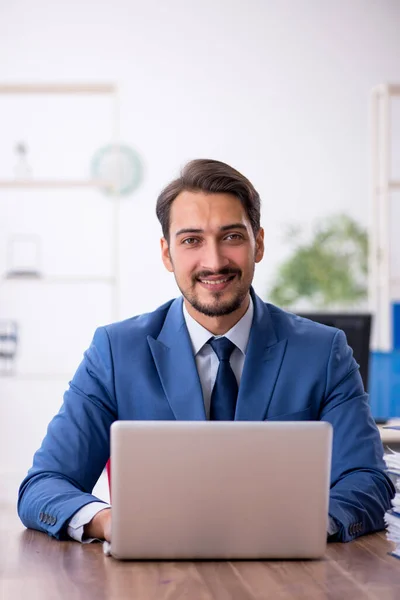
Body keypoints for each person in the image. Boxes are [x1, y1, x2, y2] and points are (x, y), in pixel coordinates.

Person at [18, 159, 394, 544]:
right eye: (191, 240)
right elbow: (44, 486)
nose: (214, 262)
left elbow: (367, 480)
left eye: (231, 237)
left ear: (258, 243)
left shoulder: (322, 352)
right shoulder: (115, 353)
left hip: (286, 571)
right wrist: (112, 522)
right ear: (167, 253)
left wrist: (309, 523)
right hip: (153, 577)